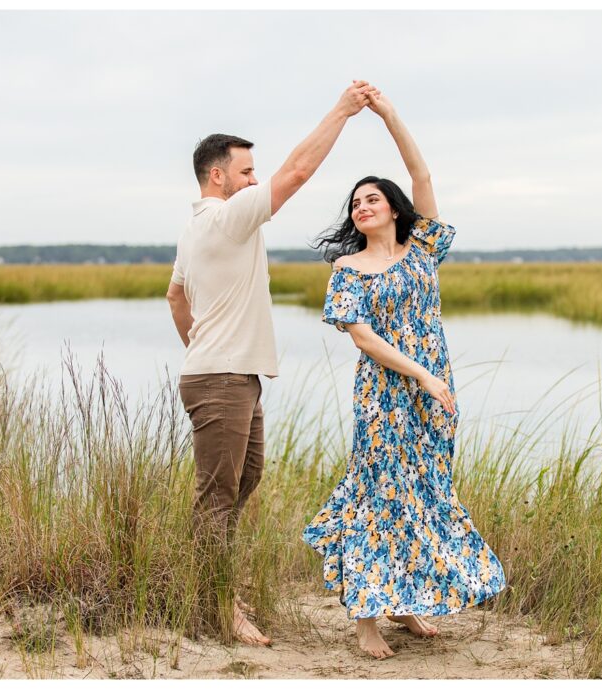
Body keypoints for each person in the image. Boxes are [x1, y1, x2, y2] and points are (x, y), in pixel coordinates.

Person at [167, 81, 378, 647]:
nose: (254, 181)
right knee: (216, 496)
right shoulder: (224, 219)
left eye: (254, 172)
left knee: (245, 477)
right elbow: (298, 172)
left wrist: (198, 347)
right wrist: (342, 110)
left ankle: (212, 585)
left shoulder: (195, 228)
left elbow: (175, 297)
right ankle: (214, 605)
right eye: (246, 172)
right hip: (221, 377)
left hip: (228, 372)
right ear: (219, 177)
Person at [301, 91, 507, 659]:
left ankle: (408, 601)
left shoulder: (422, 250)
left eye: (372, 199)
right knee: (376, 495)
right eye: (354, 203)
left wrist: (389, 116)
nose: (361, 206)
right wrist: (421, 374)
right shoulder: (348, 268)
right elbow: (363, 338)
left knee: (423, 494)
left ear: (393, 207)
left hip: (434, 392)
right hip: (387, 396)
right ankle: (366, 618)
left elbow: (420, 170)